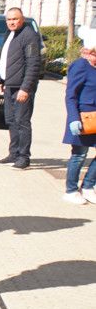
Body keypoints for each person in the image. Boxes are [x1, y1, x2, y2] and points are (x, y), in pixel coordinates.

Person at [0, 7, 43, 170]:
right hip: (9, 85)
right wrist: (0, 80)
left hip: (22, 88)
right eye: (9, 19)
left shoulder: (29, 36)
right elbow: (5, 59)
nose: (11, 22)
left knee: (22, 122)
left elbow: (33, 64)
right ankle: (13, 153)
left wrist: (26, 88)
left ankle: (24, 156)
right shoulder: (9, 34)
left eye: (15, 19)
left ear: (22, 20)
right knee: (11, 120)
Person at [62, 41, 96, 204]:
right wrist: (74, 118)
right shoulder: (80, 66)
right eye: (92, 53)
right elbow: (71, 95)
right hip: (84, 117)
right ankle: (71, 190)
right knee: (79, 155)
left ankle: (88, 186)